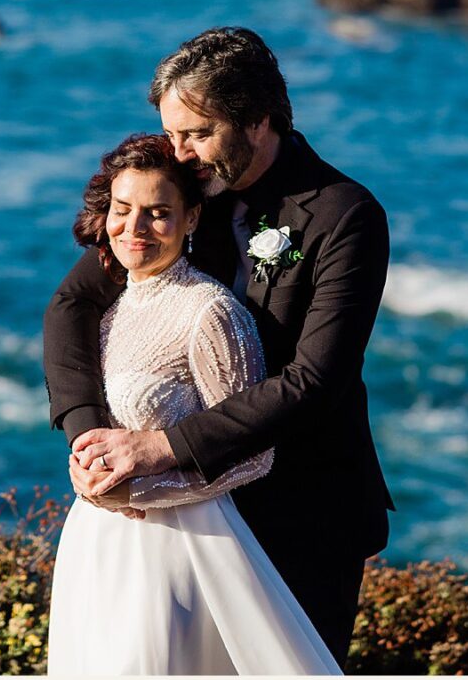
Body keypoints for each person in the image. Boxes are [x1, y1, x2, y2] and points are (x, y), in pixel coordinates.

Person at [44, 26, 394, 668]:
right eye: (172, 132)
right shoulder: (179, 196)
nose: (178, 153)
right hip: (175, 518)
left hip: (299, 514)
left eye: (197, 134)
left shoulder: (346, 216)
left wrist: (159, 447)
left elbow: (316, 380)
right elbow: (72, 305)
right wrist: (89, 439)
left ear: (260, 119)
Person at [45, 133, 339, 674]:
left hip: (180, 557)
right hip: (97, 544)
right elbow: (66, 314)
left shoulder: (210, 313)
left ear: (192, 219)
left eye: (158, 213)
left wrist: (143, 490)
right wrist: (87, 463)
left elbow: (254, 454)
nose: (134, 229)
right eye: (123, 209)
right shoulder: (113, 306)